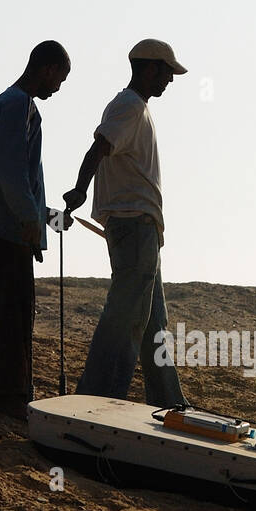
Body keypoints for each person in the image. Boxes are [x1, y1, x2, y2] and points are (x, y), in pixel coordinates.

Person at [62, 39, 187, 408]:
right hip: (133, 227)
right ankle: (95, 401)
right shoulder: (129, 106)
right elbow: (98, 147)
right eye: (166, 72)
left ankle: (168, 402)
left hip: (142, 229)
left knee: (152, 325)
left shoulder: (135, 107)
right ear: (149, 68)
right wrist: (79, 191)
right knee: (125, 319)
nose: (169, 80)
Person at [0, 40, 72, 421]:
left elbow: (17, 178)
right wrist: (30, 221)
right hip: (5, 228)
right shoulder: (19, 106)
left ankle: (16, 393)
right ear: (48, 69)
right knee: (14, 310)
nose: (58, 88)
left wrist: (45, 216)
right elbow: (11, 172)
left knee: (14, 308)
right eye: (60, 78)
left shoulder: (4, 103)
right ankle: (12, 398)